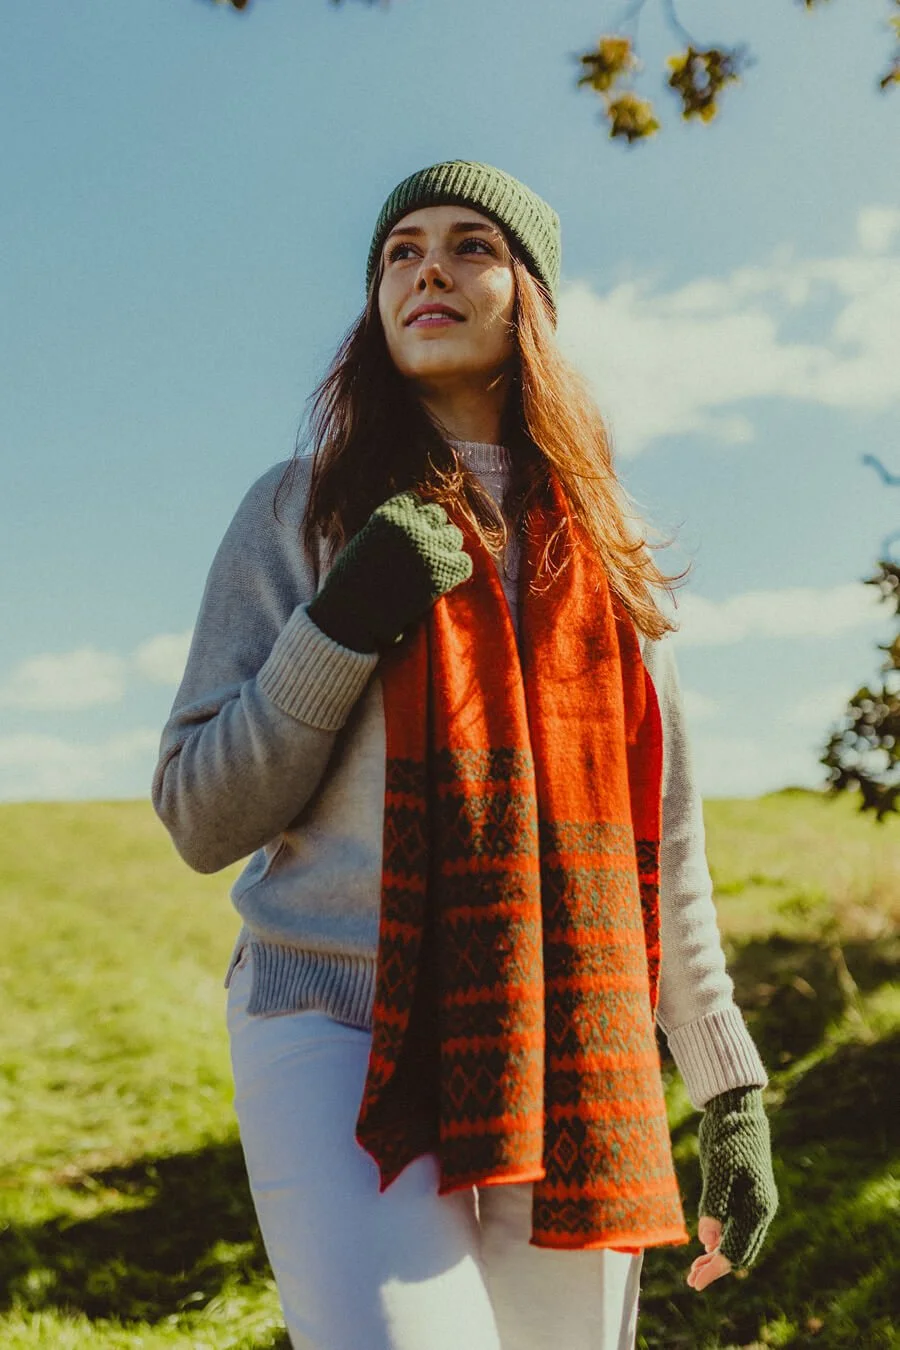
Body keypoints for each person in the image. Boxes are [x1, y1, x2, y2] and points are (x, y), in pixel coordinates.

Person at [152, 160, 778, 1350]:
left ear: (528, 298)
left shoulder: (609, 542)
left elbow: (669, 842)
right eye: (399, 250)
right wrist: (336, 628)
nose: (426, 266)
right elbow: (198, 812)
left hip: (570, 1040)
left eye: (470, 244)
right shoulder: (300, 511)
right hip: (334, 1023)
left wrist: (729, 1087)